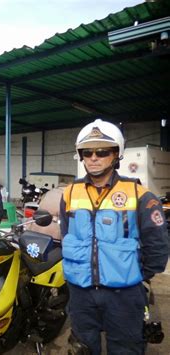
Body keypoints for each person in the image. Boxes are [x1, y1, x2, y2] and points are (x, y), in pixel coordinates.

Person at [60, 119, 168, 355]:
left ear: (116, 154)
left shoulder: (140, 195)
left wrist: (135, 274)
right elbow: (66, 234)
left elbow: (157, 247)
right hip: (81, 294)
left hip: (124, 296)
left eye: (102, 151)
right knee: (82, 348)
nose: (94, 157)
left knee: (126, 349)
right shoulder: (69, 193)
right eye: (87, 152)